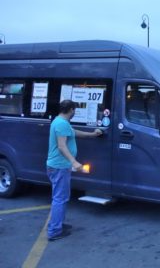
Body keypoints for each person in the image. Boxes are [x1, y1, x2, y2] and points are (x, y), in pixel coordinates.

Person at [46, 100, 103, 241]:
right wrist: (74, 162)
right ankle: (54, 231)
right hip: (59, 166)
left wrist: (93, 134)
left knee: (62, 197)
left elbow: (75, 133)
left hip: (59, 167)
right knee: (60, 198)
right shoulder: (60, 123)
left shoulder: (61, 123)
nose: (75, 112)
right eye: (74, 110)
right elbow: (61, 146)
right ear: (71, 110)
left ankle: (58, 224)